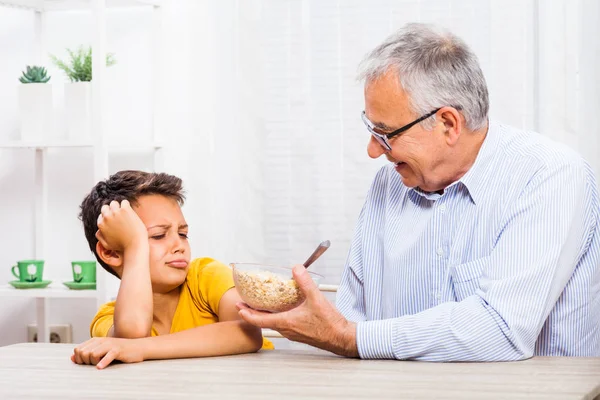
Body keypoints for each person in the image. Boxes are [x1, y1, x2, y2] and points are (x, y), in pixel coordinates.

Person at [237, 22, 600, 361]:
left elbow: (502, 330)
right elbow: (353, 316)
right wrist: (314, 320)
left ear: (448, 124)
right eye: (370, 128)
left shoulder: (549, 176)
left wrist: (350, 337)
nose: (373, 150)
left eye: (386, 133)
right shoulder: (388, 184)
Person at [71, 170, 273, 369]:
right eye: (158, 236)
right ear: (112, 253)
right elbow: (131, 336)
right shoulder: (108, 317)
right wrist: (136, 245)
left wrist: (141, 349)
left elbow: (247, 333)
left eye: (183, 234)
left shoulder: (207, 275)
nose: (179, 245)